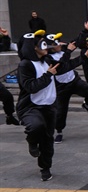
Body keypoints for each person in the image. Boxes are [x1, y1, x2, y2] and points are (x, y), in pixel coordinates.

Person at [16, 30, 60, 181]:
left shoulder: (47, 60)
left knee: (48, 140)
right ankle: (32, 141)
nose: (46, 46)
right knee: (36, 126)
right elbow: (30, 86)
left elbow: (64, 67)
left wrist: (83, 58)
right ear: (33, 47)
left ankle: (45, 167)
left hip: (49, 106)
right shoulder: (25, 65)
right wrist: (48, 75)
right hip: (30, 107)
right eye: (41, 43)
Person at [47, 33, 88, 144]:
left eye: (59, 42)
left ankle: (86, 104)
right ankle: (59, 132)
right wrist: (70, 52)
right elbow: (63, 66)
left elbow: (76, 41)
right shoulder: (48, 58)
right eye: (56, 43)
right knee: (61, 112)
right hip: (61, 87)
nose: (60, 44)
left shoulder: (63, 48)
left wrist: (85, 30)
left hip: (74, 81)